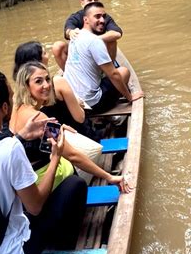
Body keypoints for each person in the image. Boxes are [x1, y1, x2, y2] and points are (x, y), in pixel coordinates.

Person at [0, 70, 87, 254]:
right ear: (4, 107)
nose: (13, 99)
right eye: (10, 96)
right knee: (75, 185)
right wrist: (55, 158)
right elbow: (35, 207)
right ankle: (66, 247)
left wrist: (20, 136)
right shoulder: (10, 148)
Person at [10, 61, 131, 191]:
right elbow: (73, 155)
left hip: (25, 181)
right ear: (26, 86)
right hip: (39, 181)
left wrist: (60, 127)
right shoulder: (39, 117)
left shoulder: (17, 106)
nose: (46, 85)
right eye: (38, 81)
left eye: (47, 79)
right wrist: (109, 177)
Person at [63, 2, 144, 114]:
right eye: (97, 16)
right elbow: (113, 75)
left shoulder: (75, 36)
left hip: (71, 100)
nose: (102, 20)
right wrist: (130, 97)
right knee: (123, 72)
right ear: (85, 20)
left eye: (103, 17)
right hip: (92, 104)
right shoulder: (95, 41)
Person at [13, 40, 99, 139]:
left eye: (47, 79)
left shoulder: (18, 97)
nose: (48, 55)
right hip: (70, 137)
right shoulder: (58, 83)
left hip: (49, 139)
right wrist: (78, 104)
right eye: (44, 53)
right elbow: (80, 118)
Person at [52, 0, 122, 71]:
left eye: (95, 0)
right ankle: (69, 73)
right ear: (82, 3)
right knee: (57, 46)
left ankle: (108, 71)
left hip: (99, 48)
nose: (93, 3)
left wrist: (93, 40)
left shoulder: (104, 16)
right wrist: (71, 32)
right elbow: (68, 31)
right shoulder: (76, 17)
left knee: (112, 41)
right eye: (89, 0)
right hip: (81, 51)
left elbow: (117, 33)